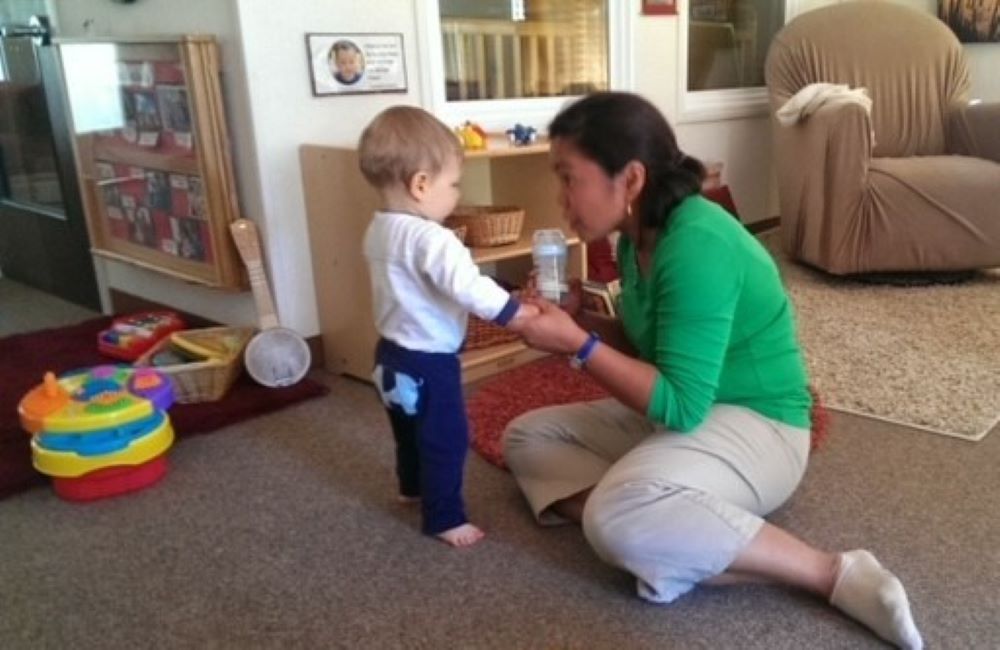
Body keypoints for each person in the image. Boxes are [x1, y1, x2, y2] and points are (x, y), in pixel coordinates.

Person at [505, 92, 923, 649]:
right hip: (694, 414)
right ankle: (666, 520)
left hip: (762, 427)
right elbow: (654, 347)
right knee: (527, 436)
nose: (561, 199)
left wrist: (577, 345)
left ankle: (833, 573)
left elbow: (678, 402)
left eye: (568, 178)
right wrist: (583, 323)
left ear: (629, 180)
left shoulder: (696, 242)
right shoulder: (636, 239)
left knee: (614, 517)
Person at [357, 106, 538, 548]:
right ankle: (444, 517)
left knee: (407, 432)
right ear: (421, 185)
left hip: (388, 357)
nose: (457, 195)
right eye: (453, 184)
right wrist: (515, 313)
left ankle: (411, 487)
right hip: (429, 363)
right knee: (445, 439)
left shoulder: (378, 230)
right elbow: (470, 287)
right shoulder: (433, 239)